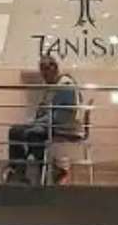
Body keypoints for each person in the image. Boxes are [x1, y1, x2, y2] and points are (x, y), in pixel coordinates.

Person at [6, 56, 81, 184]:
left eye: (46, 70)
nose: (44, 75)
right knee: (15, 131)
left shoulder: (65, 86)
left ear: (54, 69)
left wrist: (37, 123)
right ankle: (18, 170)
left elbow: (61, 115)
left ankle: (46, 169)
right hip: (49, 122)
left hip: (61, 125)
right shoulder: (53, 87)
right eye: (42, 71)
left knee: (32, 134)